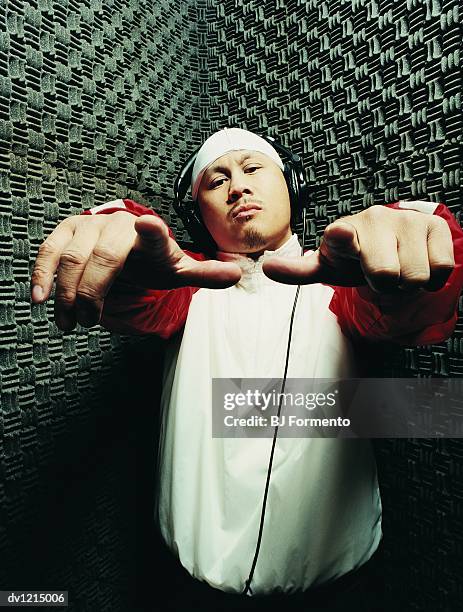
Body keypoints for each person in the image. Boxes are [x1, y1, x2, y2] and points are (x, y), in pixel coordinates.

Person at [31, 128, 463, 611]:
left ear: (291, 185)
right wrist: (117, 229)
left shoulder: (347, 288)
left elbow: (417, 313)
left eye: (253, 168)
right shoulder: (182, 294)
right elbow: (130, 287)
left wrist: (411, 236)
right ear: (200, 214)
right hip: (190, 590)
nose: (237, 186)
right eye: (216, 181)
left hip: (343, 590)